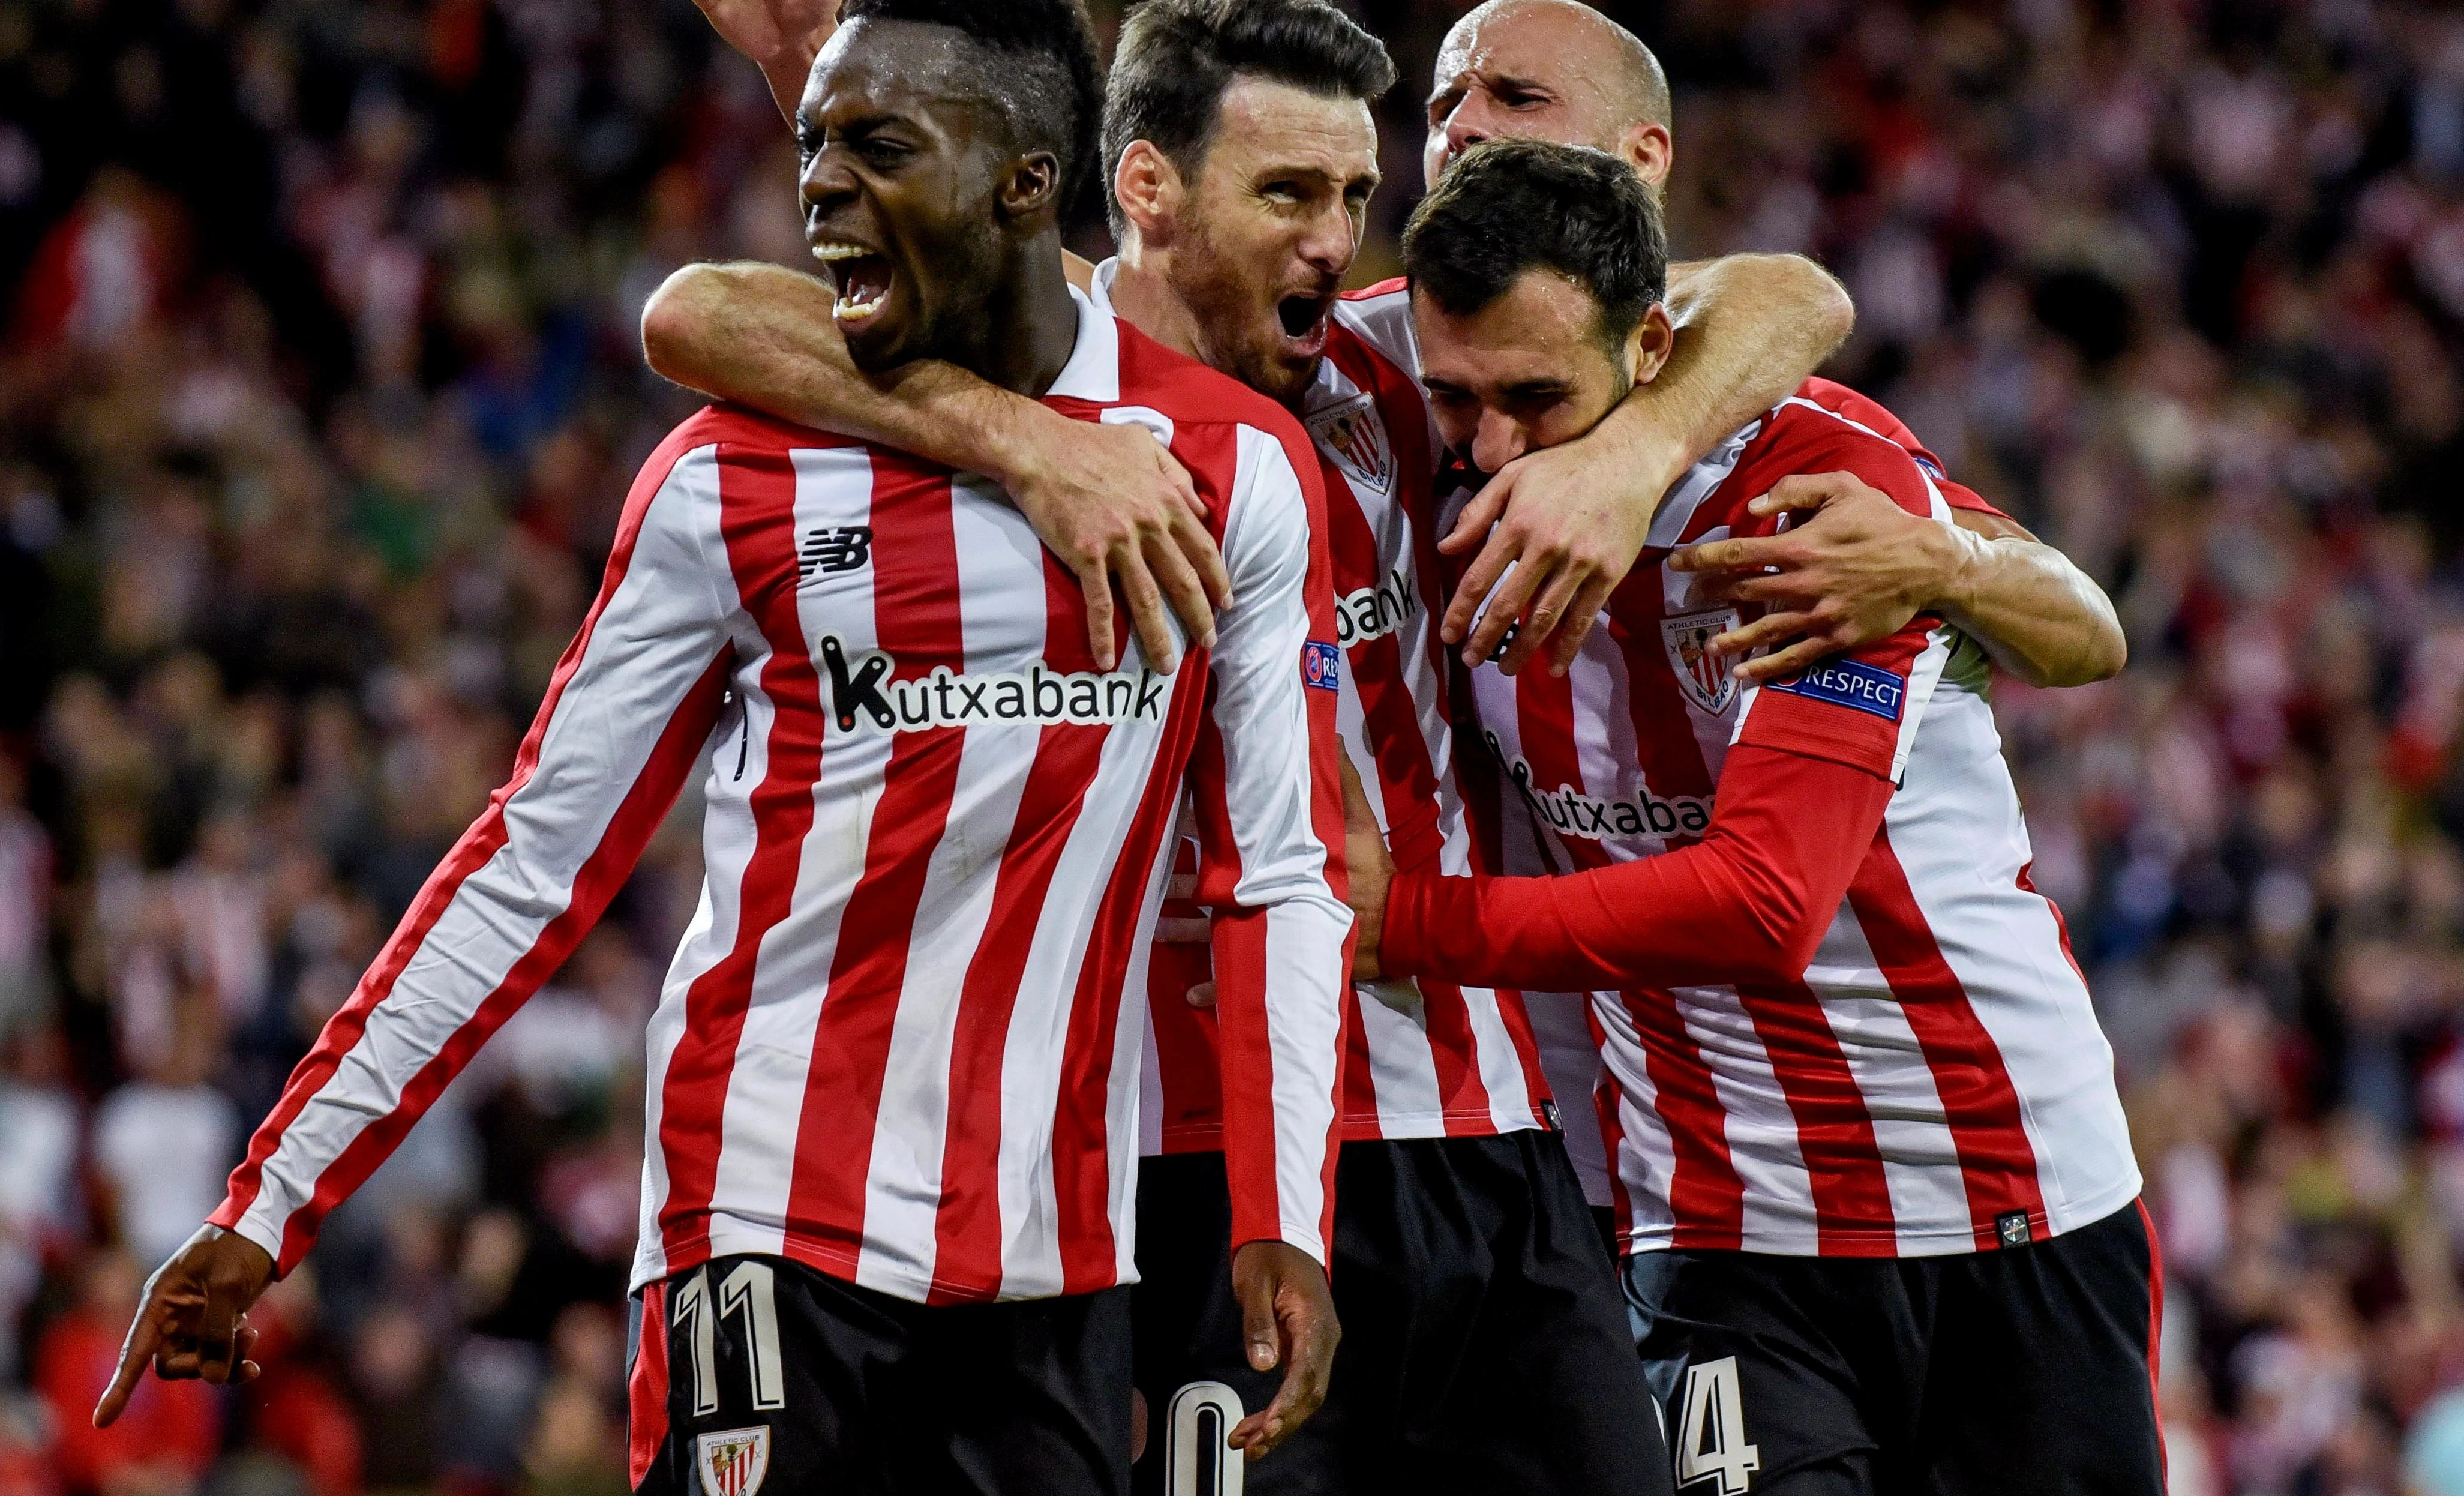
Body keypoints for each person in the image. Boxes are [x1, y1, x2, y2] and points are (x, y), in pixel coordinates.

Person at [641, 2, 2129, 1492]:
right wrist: (1034, 439)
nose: (1455, 139)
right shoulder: (1232, 386)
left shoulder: (1654, 435)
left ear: (1639, 175)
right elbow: (701, 315)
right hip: (1230, 1153)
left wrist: (1657, 470)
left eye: (1363, 188)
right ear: (1151, 190)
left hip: (1557, 1149)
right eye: (1440, 107)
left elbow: (1806, 308)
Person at [88, 3, 1360, 1492]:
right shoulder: (722, 478)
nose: (819, 185)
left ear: (1025, 183)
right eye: (812, 145)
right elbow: (529, 863)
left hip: (1055, 1252)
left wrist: (1285, 1210)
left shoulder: (1234, 470)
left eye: (878, 147)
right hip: (759, 1219)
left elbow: (1278, 871)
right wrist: (274, 1196)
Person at [1348, 137, 2159, 1496]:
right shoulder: (1419, 460)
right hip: (1718, 1225)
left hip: (1995, 1190)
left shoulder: (1814, 498)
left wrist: (1407, 922)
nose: (1489, 448)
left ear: (1654, 350)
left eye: (1535, 400)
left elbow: (1764, 902)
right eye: (1456, 401)